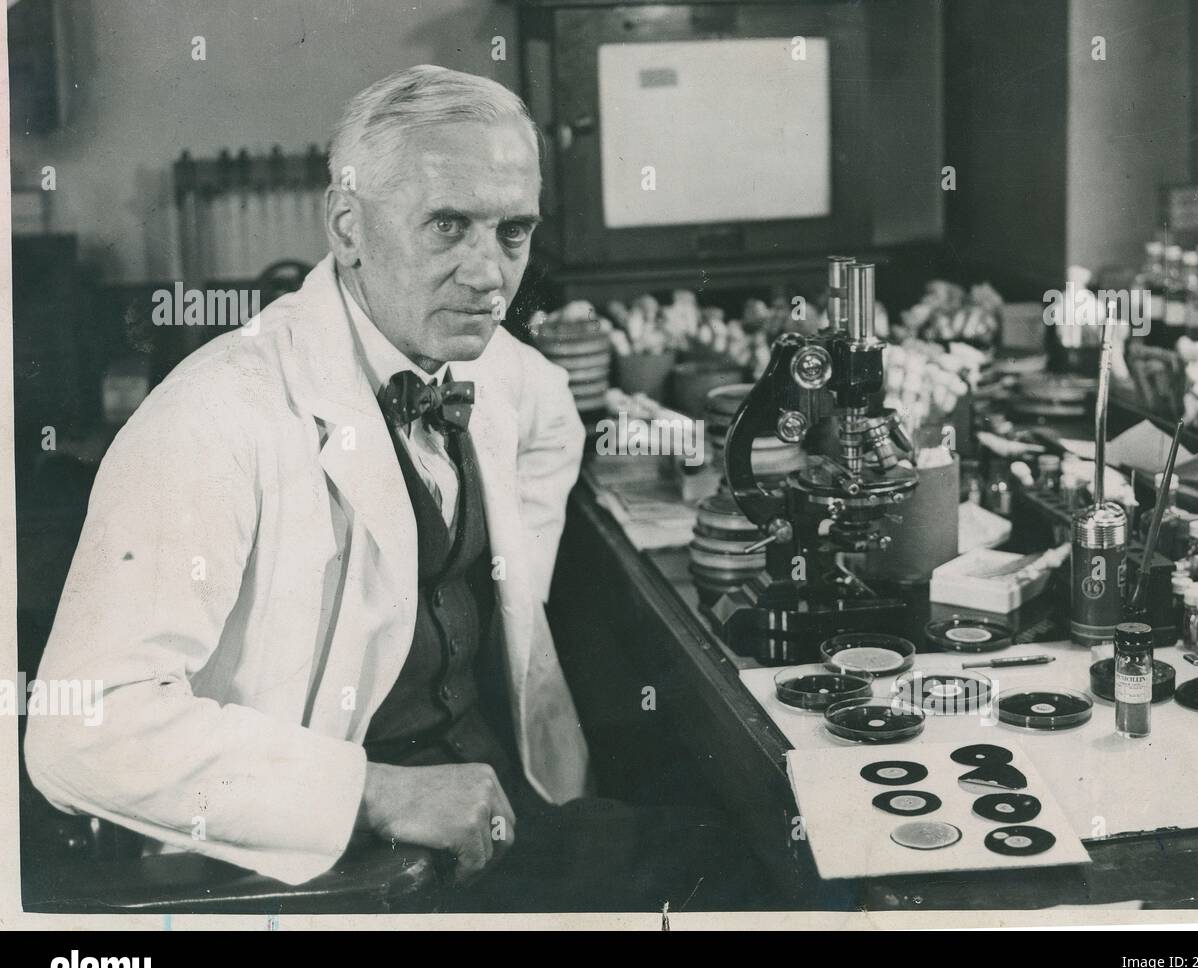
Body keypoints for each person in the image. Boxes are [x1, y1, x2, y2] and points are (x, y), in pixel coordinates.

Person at [26, 66, 761, 912]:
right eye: (448, 225)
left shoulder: (468, 358)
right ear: (348, 226)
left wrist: (512, 590)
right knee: (750, 866)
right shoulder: (214, 414)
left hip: (502, 805)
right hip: (344, 874)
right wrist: (372, 791)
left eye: (513, 232)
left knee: (740, 824)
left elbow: (552, 414)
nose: (488, 274)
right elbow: (79, 730)